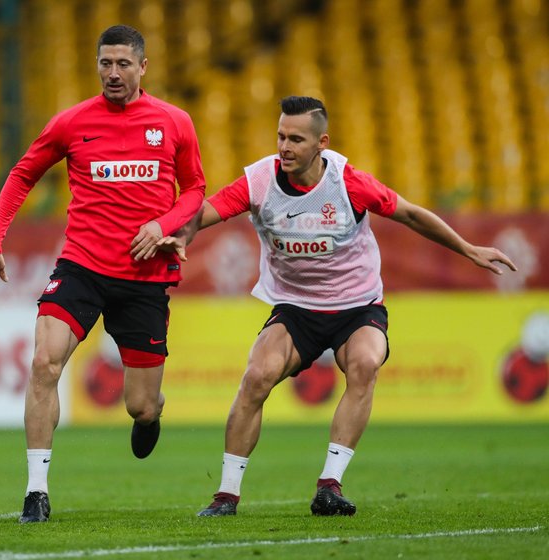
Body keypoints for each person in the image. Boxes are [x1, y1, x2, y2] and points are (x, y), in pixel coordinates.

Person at [155, 95, 516, 517]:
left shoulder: (350, 183)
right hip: (295, 308)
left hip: (357, 306)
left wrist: (468, 249)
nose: (284, 147)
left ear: (321, 142)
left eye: (295, 139)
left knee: (365, 363)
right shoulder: (258, 181)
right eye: (280, 136)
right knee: (256, 376)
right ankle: (226, 497)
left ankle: (329, 486)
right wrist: (183, 234)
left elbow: (413, 215)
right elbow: (207, 210)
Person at [0, 25, 206, 523]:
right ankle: (36, 491)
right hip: (82, 266)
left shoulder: (174, 122)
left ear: (143, 67)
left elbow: (194, 191)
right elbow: (22, 174)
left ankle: (153, 413)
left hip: (145, 278)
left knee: (140, 408)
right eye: (105, 63)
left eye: (124, 63)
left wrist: (162, 224)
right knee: (44, 363)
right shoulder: (72, 122)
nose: (113, 73)